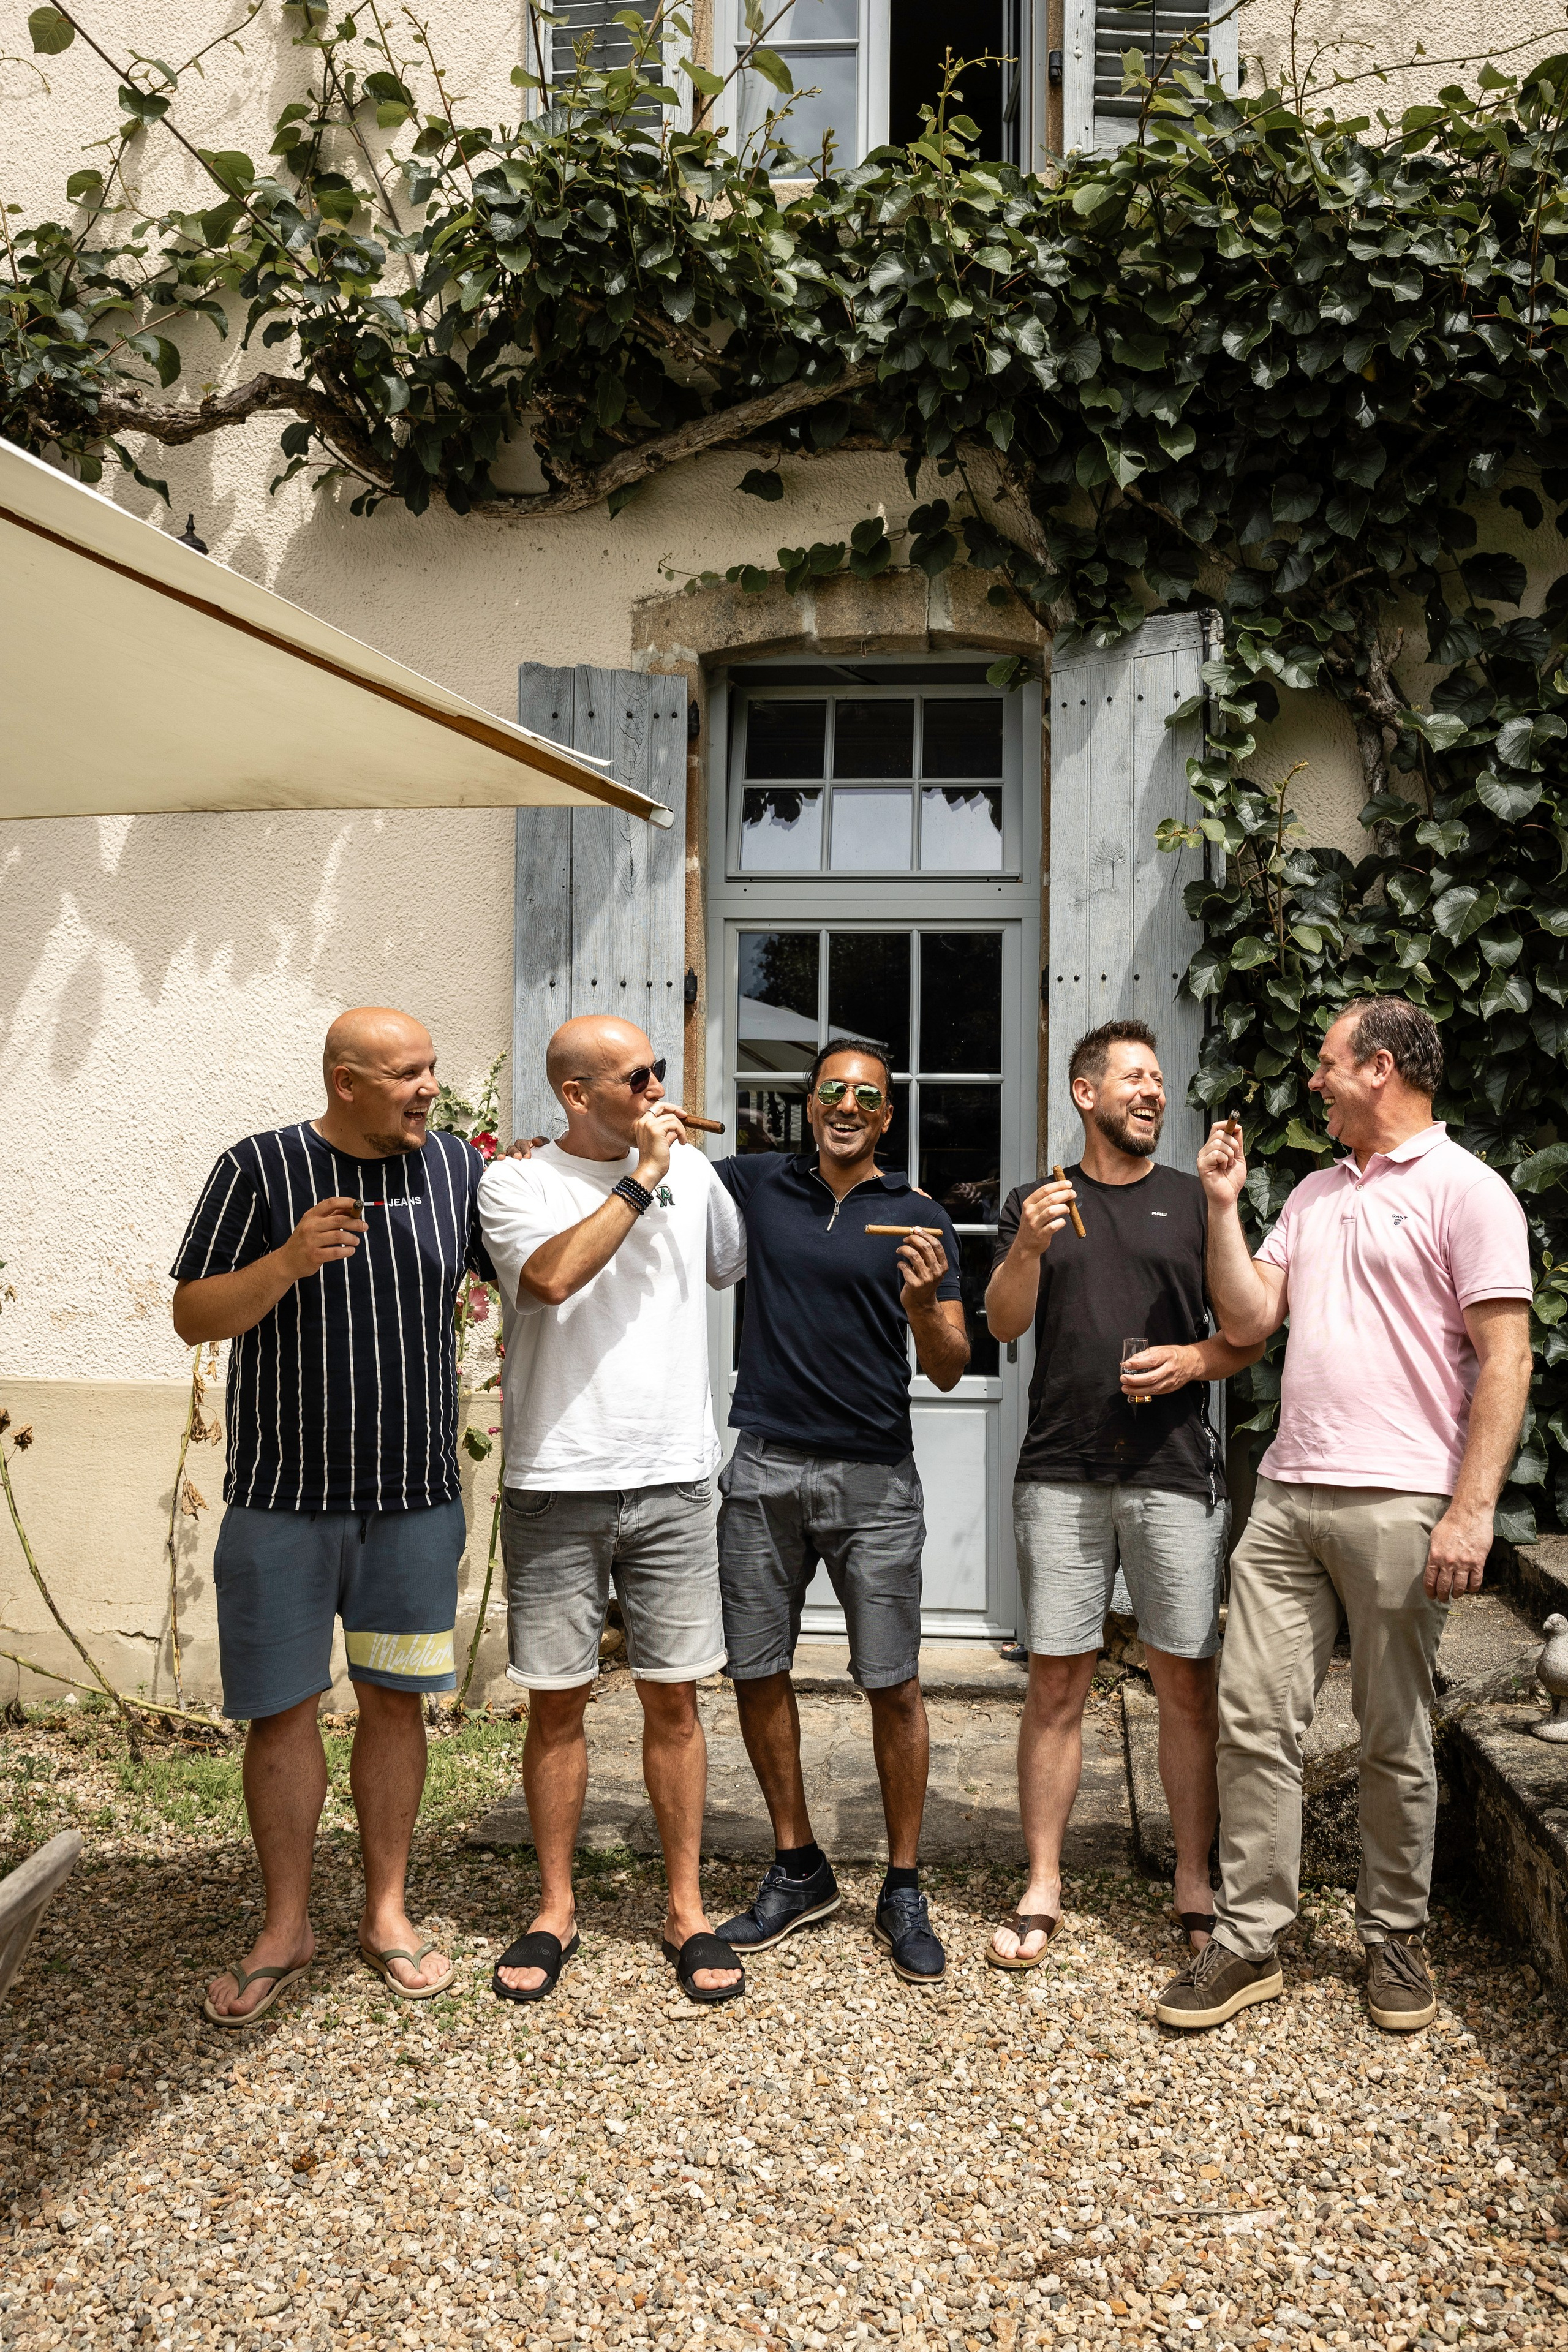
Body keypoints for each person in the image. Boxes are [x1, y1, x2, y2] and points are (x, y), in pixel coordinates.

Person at [1157, 995, 1533, 2034]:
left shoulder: (1471, 1190)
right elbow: (1246, 1319)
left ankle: (1394, 1937)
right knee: (1253, 1720)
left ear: (1378, 1068)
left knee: (1393, 1733)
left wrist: (1472, 1509)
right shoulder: (1316, 1194)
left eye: (1328, 1065)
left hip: (1406, 1500)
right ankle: (1248, 1939)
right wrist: (1224, 1206)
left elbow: (1506, 1356)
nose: (1313, 1083)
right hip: (1286, 1495)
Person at [171, 1007, 492, 2023]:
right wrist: (286, 1263)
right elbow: (193, 1314)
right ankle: (287, 1924)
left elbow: (530, 1270)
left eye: (433, 1069)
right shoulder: (258, 1169)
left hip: (412, 1501)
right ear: (345, 1081)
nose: (428, 1088)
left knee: (397, 1703)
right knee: (284, 1711)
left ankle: (386, 1912)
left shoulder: (458, 1173)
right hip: (282, 1502)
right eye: (406, 1074)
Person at [477, 1017, 748, 2006]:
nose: (658, 1086)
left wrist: (686, 1175)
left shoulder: (693, 1173)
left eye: (661, 1071)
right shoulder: (516, 1183)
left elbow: (727, 1268)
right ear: (578, 1094)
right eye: (638, 1075)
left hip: (673, 1471)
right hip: (557, 1473)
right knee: (556, 1702)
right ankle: (555, 1907)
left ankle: (685, 1907)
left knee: (674, 1698)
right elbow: (547, 1281)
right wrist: (640, 1179)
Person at [983, 1020, 1263, 1971]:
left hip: (1174, 1473)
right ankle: (1043, 1882)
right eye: (1133, 1079)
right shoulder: (1038, 1203)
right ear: (1084, 1094)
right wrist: (1022, 1246)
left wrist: (1194, 1360)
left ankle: (1194, 1880)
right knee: (1058, 1680)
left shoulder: (1196, 1204)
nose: (1152, 1092)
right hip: (1060, 1471)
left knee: (1186, 1681)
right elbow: (1002, 1322)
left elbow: (1248, 1331)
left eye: (1158, 1080)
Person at [708, 1039, 970, 1985]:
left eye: (867, 1095)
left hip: (875, 1480)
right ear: (811, 1104)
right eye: (833, 1091)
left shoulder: (918, 1215)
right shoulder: (750, 1183)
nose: (848, 1106)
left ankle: (902, 1884)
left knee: (892, 1680)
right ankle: (798, 1865)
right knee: (755, 1667)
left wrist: (923, 1302)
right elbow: (646, 1177)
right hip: (764, 1465)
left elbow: (948, 1363)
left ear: (887, 1118)